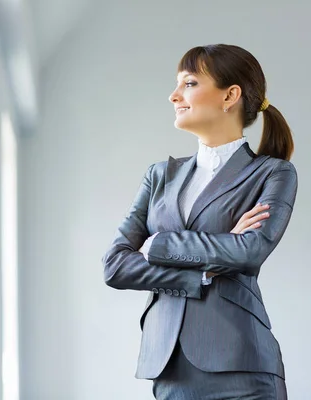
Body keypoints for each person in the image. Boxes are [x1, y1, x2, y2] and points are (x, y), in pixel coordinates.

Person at [102, 44, 297, 400]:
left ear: (230, 95)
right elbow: (115, 266)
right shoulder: (159, 175)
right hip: (169, 367)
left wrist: (156, 244)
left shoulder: (272, 173)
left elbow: (249, 251)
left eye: (189, 83)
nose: (174, 95)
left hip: (243, 367)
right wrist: (204, 272)